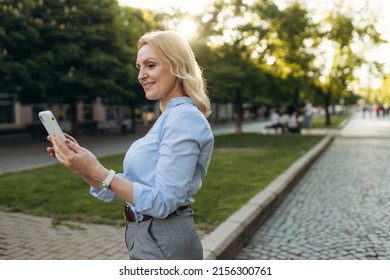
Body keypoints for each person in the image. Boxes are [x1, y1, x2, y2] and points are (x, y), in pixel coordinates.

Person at [46, 30, 214, 260]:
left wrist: (98, 171)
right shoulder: (169, 117)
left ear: (177, 66)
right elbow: (135, 187)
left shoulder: (183, 118)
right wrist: (82, 167)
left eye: (150, 65)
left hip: (163, 238)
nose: (141, 75)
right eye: (139, 67)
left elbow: (163, 201)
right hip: (146, 234)